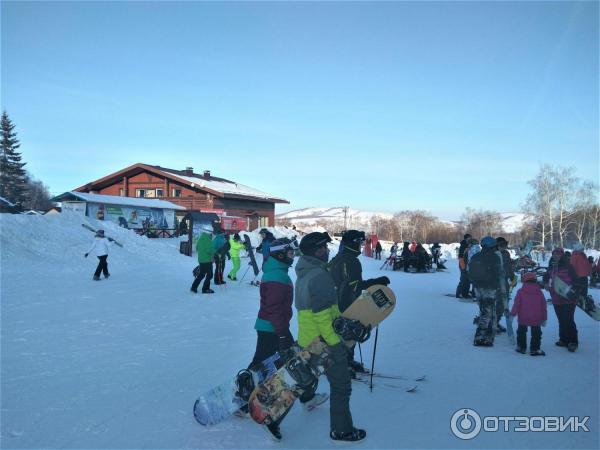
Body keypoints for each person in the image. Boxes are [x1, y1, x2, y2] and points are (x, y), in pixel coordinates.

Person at [246, 237, 328, 438]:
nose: (292, 257)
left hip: (274, 327)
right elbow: (274, 309)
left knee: (293, 364)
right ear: (280, 254)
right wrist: (282, 333)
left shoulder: (277, 271)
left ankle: (306, 397)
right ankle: (244, 396)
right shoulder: (276, 275)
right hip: (272, 329)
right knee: (282, 366)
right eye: (290, 253)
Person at [295, 232, 366, 442]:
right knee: (341, 385)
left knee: (305, 378)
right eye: (324, 247)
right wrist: (336, 344)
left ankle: (276, 413)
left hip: (308, 338)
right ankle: (342, 430)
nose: (327, 250)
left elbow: (323, 311)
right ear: (316, 251)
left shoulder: (305, 272)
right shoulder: (320, 276)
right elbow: (322, 316)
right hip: (323, 341)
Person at [328, 230, 390, 376]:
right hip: (345, 303)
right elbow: (354, 286)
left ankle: (347, 360)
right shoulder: (350, 261)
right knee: (348, 333)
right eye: (360, 243)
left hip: (335, 302)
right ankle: (342, 364)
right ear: (354, 243)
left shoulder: (339, 257)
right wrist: (375, 283)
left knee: (344, 333)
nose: (362, 246)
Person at [468, 236, 504, 347]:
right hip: (490, 287)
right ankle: (481, 337)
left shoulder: (475, 256)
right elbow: (499, 273)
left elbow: (469, 272)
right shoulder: (495, 257)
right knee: (489, 312)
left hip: (478, 288)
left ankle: (487, 334)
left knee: (484, 309)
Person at [543, 248, 579, 352]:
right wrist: (545, 283)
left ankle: (573, 341)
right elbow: (546, 276)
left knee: (568, 319)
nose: (556, 256)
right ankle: (563, 339)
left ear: (562, 255)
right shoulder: (551, 266)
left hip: (569, 298)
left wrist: (574, 290)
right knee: (561, 319)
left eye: (558, 254)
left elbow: (576, 280)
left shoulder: (569, 266)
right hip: (556, 298)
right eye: (554, 254)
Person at [511, 272, 547, 356]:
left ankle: (521, 347)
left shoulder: (521, 291)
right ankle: (535, 349)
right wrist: (544, 318)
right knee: (536, 333)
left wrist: (513, 314)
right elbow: (543, 306)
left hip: (523, 317)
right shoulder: (539, 292)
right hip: (536, 317)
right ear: (535, 280)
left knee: (521, 332)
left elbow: (516, 304)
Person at [495, 237, 516, 333]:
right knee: (496, 304)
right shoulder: (493, 254)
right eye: (501, 245)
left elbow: (509, 266)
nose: (503, 247)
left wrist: (512, 277)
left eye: (505, 244)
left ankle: (496, 322)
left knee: (504, 304)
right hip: (495, 283)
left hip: (505, 282)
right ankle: (491, 323)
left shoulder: (506, 253)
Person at [190, 224, 215, 294]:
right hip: (207, 261)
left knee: (202, 274)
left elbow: (197, 248)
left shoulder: (201, 238)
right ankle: (205, 289)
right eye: (211, 232)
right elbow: (209, 250)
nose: (212, 234)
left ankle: (193, 287)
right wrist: (213, 252)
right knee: (209, 275)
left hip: (201, 260)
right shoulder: (208, 240)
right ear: (209, 232)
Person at [456, 234, 472, 298]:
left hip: (467, 264)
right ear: (466, 239)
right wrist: (463, 267)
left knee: (468, 280)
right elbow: (460, 257)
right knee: (463, 279)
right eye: (469, 238)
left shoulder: (469, 245)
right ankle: (459, 293)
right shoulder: (463, 246)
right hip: (463, 264)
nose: (470, 239)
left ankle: (465, 293)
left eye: (470, 238)